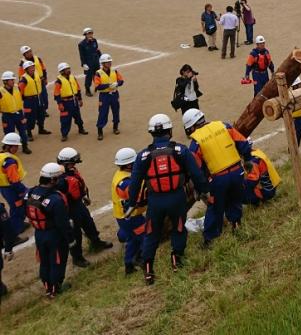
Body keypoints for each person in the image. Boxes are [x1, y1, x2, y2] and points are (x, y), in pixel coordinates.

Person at [128, 113, 208, 285]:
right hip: (177, 198)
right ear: (169, 131)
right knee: (179, 229)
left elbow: (134, 183)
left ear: (151, 133)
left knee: (151, 233)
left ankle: (148, 269)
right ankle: (176, 260)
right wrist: (204, 190)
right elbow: (196, 174)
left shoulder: (143, 156)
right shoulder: (180, 150)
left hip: (155, 201)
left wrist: (131, 202)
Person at [182, 109, 251, 245]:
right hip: (237, 172)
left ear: (191, 127)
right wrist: (248, 160)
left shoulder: (196, 141)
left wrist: (202, 189)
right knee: (234, 200)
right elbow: (243, 143)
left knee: (214, 207)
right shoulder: (223, 125)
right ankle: (236, 224)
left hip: (219, 178)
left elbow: (196, 169)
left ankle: (210, 239)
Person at [57, 147, 112, 268]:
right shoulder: (59, 179)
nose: (75, 164)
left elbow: (79, 186)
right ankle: (77, 258)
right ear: (66, 163)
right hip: (70, 209)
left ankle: (96, 242)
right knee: (75, 233)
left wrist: (84, 197)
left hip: (78, 204)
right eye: (73, 162)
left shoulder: (72, 171)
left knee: (89, 223)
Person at [25, 162, 72, 298]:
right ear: (52, 180)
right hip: (53, 235)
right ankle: (55, 289)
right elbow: (62, 223)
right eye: (58, 178)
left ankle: (47, 286)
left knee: (44, 262)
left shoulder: (31, 192)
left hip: (39, 234)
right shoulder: (55, 199)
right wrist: (70, 238)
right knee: (57, 261)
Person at [111, 147, 146, 275]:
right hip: (131, 218)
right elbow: (136, 196)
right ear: (129, 165)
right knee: (144, 237)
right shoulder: (124, 183)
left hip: (125, 216)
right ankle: (142, 259)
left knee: (133, 240)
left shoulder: (121, 175)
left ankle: (129, 264)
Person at [0, 133, 28, 236]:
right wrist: (23, 190)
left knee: (15, 206)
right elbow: (14, 180)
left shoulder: (1, 156)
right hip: (12, 188)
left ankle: (18, 224)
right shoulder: (10, 162)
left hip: (4, 187)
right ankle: (17, 229)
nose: (17, 148)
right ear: (9, 146)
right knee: (18, 207)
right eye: (15, 146)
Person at [54, 63, 87, 142]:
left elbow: (78, 89)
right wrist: (60, 104)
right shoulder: (59, 81)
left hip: (74, 101)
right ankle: (64, 134)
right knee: (65, 120)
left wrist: (80, 99)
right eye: (66, 69)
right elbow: (56, 94)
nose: (69, 70)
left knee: (78, 117)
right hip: (65, 103)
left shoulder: (73, 78)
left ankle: (81, 129)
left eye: (68, 68)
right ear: (62, 71)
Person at [94, 54, 123, 140]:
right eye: (107, 62)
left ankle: (115, 127)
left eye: (110, 61)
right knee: (103, 113)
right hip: (104, 96)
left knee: (116, 111)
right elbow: (97, 86)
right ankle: (100, 131)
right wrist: (109, 85)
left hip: (114, 94)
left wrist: (117, 83)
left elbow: (121, 80)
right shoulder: (98, 73)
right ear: (102, 63)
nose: (109, 63)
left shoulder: (114, 71)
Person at [19, 60, 48, 141]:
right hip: (29, 101)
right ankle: (29, 133)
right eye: (30, 68)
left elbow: (40, 83)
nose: (32, 69)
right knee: (30, 117)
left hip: (39, 98)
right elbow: (19, 92)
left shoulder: (36, 74)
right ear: (26, 70)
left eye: (33, 67)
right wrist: (23, 100)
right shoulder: (23, 80)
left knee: (41, 114)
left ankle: (41, 129)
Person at [1, 71, 29, 152]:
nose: (13, 81)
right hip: (7, 116)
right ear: (5, 81)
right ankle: (9, 148)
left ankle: (25, 146)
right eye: (11, 80)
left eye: (13, 80)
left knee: (23, 131)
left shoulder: (18, 88)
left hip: (19, 114)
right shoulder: (0, 91)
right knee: (9, 133)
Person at [19, 46, 48, 120]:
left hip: (40, 80)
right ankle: (39, 112)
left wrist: (45, 78)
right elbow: (21, 75)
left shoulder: (37, 59)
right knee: (37, 97)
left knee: (44, 97)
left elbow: (43, 69)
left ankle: (43, 109)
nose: (29, 53)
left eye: (30, 51)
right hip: (30, 83)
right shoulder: (22, 63)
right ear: (24, 55)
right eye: (27, 53)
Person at [77, 28, 101, 97]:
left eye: (91, 33)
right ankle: (87, 90)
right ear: (85, 35)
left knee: (97, 75)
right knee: (89, 77)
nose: (90, 35)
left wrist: (101, 58)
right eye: (88, 33)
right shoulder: (82, 44)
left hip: (96, 61)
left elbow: (97, 50)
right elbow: (82, 55)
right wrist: (83, 64)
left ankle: (98, 86)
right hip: (88, 63)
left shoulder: (94, 40)